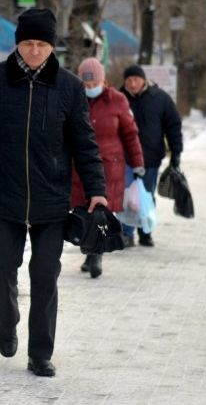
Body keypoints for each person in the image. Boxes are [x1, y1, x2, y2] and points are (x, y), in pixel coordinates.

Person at [0, 8, 106, 379]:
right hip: (3, 195)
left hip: (51, 199)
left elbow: (85, 143)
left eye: (42, 44)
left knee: (45, 276)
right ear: (17, 44)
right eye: (28, 43)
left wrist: (97, 190)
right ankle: (8, 319)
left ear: (52, 46)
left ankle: (40, 353)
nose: (34, 51)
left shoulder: (68, 87)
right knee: (1, 269)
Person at [70, 58, 145, 278]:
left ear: (103, 81)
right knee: (83, 211)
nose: (90, 88)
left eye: (94, 84)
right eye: (86, 84)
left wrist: (138, 162)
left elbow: (130, 134)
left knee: (101, 211)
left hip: (109, 167)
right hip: (80, 167)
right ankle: (90, 250)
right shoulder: (74, 99)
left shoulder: (117, 100)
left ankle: (96, 255)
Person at [120, 65, 184, 247]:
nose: (132, 84)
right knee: (127, 197)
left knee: (146, 196)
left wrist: (176, 152)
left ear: (144, 79)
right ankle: (126, 233)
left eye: (135, 79)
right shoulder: (119, 98)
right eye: (128, 80)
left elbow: (173, 126)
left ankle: (145, 232)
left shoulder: (160, 98)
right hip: (125, 158)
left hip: (150, 157)